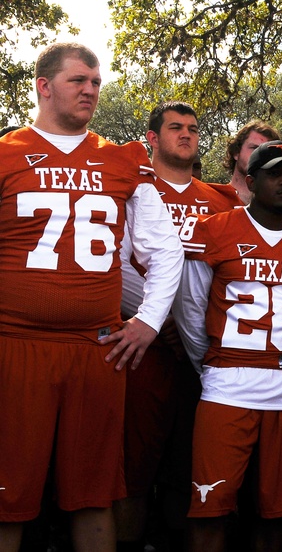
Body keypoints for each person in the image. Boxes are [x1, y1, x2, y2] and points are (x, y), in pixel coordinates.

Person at [0, 42, 183, 552]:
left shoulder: (122, 160)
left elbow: (166, 251)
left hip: (97, 347)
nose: (90, 90)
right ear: (43, 86)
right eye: (79, 80)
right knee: (6, 495)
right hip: (16, 344)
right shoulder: (5, 153)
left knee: (94, 495)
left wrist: (147, 321)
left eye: (96, 82)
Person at [174, 140, 282, 552]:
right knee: (209, 507)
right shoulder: (214, 230)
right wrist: (213, 365)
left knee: (280, 513)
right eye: (274, 173)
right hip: (227, 385)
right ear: (250, 181)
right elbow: (191, 310)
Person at [115, 101, 242, 552]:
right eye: (174, 128)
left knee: (188, 468)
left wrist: (191, 325)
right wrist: (155, 318)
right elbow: (118, 264)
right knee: (132, 466)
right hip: (142, 346)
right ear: (152, 137)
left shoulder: (219, 201)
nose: (186, 134)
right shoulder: (129, 190)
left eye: (192, 128)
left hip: (203, 348)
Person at [226, 120, 281, 204]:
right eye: (254, 148)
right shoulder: (213, 199)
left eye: (267, 152)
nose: (260, 156)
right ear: (236, 152)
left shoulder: (281, 208)